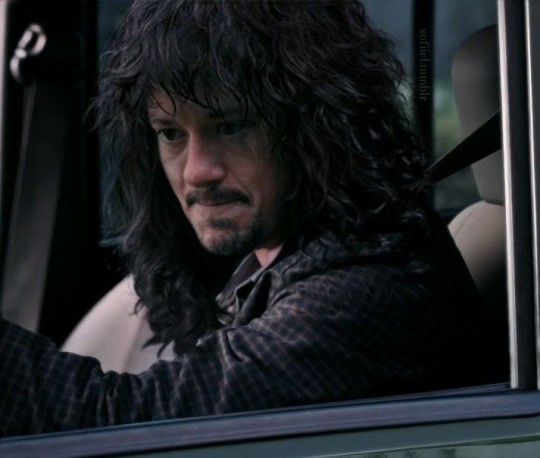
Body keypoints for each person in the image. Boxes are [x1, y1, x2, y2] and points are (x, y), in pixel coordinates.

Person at [0, 0, 487, 437]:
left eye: (230, 126)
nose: (196, 171)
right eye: (170, 133)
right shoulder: (278, 246)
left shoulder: (371, 287)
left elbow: (122, 426)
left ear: (314, 127)